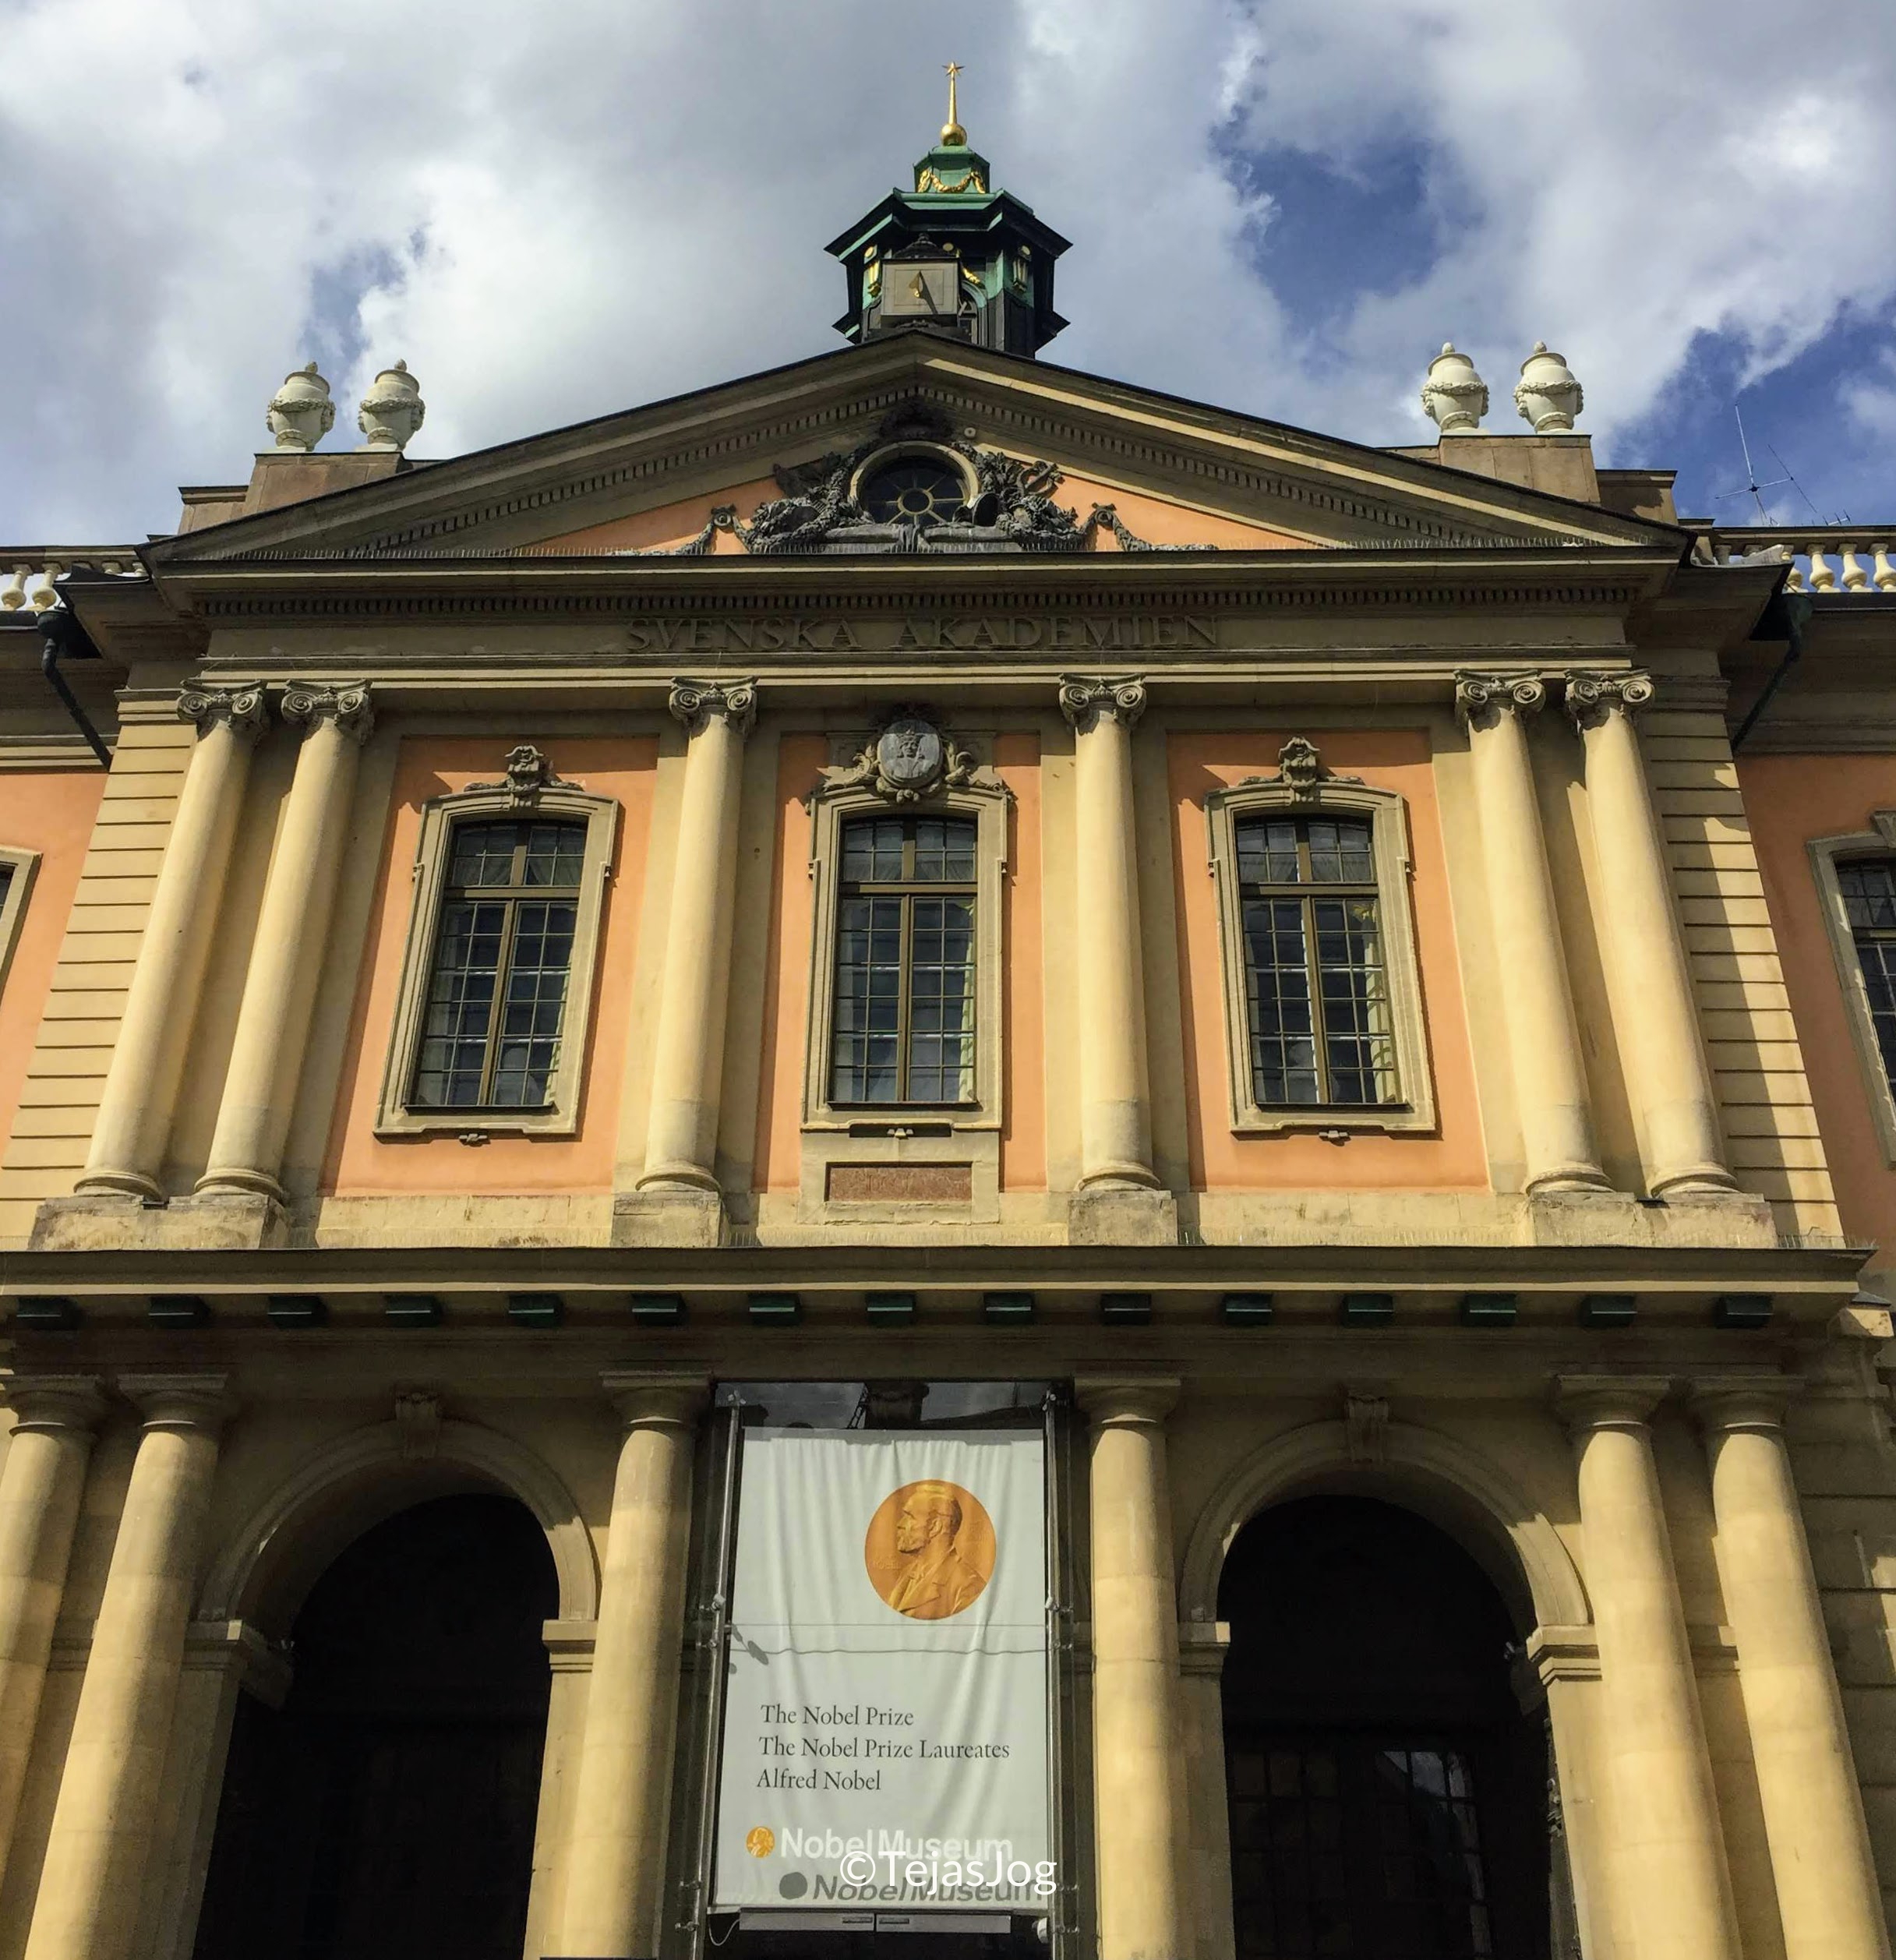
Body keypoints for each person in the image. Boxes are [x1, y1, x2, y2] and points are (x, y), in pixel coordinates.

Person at [885, 1482, 987, 1619]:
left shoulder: (967, 1586)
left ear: (935, 1527)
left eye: (910, 1517)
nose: (900, 1524)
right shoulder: (906, 1575)